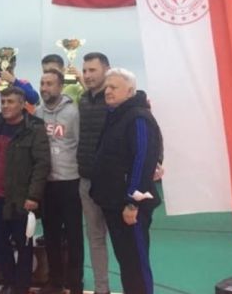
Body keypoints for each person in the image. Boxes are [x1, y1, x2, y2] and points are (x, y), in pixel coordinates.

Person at [90, 68, 162, 294]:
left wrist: (133, 202)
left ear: (130, 91)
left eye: (114, 87)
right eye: (107, 87)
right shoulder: (117, 114)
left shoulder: (138, 117)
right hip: (113, 202)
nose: (107, 91)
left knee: (135, 263)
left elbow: (143, 159)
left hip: (129, 207)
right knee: (126, 261)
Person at [0, 87, 50, 294]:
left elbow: (42, 164)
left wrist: (33, 196)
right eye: (3, 102)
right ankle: (9, 281)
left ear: (23, 104)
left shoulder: (35, 128)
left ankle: (21, 287)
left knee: (24, 245)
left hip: (22, 199)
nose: (5, 106)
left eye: (11, 102)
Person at [35, 70, 83, 294]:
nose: (44, 88)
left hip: (70, 182)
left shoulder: (73, 113)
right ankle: (55, 281)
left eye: (49, 84)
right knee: (51, 235)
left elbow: (81, 144)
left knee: (73, 236)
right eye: (42, 83)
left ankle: (75, 283)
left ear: (61, 86)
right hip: (46, 184)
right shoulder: (37, 112)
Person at [77, 52, 111, 294]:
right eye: (85, 71)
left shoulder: (116, 100)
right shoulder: (83, 100)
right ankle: (102, 289)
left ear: (106, 70)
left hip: (113, 183)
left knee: (123, 241)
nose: (87, 75)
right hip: (87, 181)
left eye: (92, 70)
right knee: (95, 238)